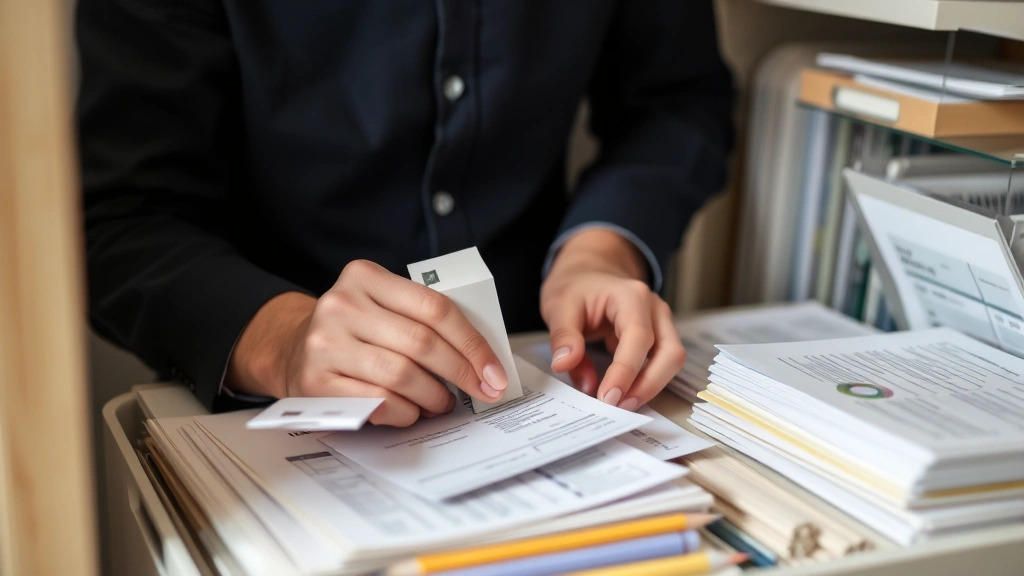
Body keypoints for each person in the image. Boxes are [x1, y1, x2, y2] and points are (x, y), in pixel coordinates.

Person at [77, 0, 734, 426]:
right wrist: (283, 341)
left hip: (550, 374)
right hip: (265, 415)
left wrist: (598, 252)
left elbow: (676, 103)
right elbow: (121, 217)